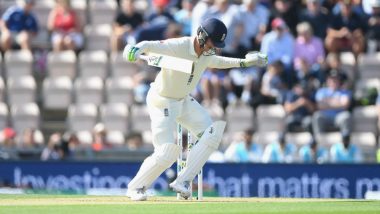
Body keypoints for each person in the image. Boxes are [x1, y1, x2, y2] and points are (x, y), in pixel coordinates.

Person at [123, 18, 267, 201]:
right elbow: (151, 45)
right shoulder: (180, 45)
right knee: (166, 152)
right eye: (211, 43)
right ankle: (136, 187)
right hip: (162, 101)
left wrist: (245, 62)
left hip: (183, 101)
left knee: (212, 133)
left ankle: (182, 182)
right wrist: (135, 49)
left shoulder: (207, 54)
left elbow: (217, 61)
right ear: (201, 35)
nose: (212, 48)